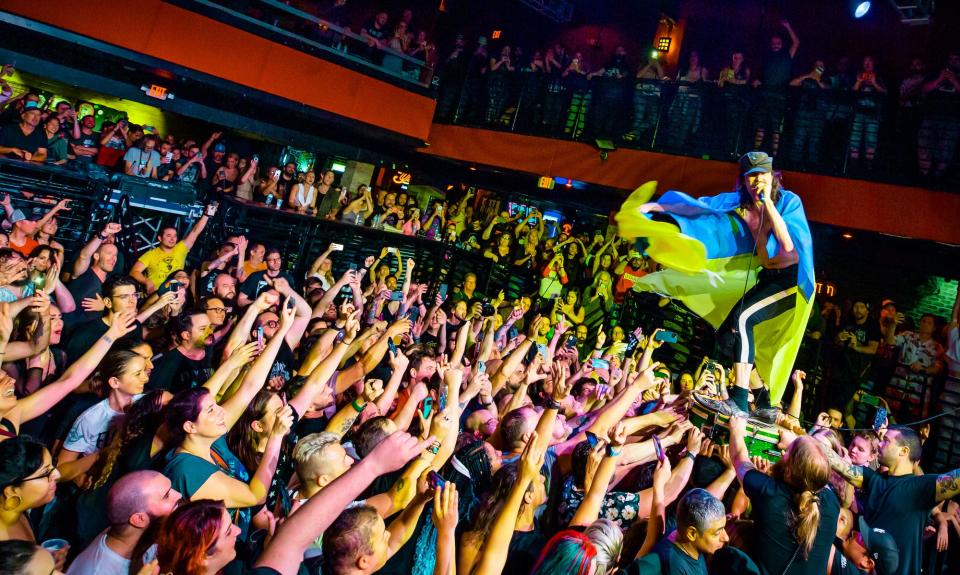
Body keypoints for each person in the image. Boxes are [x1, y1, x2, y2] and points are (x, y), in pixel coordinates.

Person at [821, 425, 960, 575]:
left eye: (886, 441)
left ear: (904, 451)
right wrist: (809, 439)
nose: (879, 443)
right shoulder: (873, 480)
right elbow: (839, 464)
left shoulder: (920, 487)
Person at [729, 416, 839, 574]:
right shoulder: (832, 503)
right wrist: (796, 446)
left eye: (786, 453)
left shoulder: (771, 494)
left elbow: (739, 458)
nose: (782, 454)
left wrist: (737, 430)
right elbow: (817, 471)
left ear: (788, 471)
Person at [66, 471, 182, 575]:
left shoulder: (137, 536)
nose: (179, 495)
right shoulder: (98, 571)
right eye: (166, 496)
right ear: (140, 519)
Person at [129, 204, 215, 294]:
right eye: (168, 235)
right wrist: (147, 282)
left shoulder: (181, 248)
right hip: (156, 294)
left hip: (176, 294)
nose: (172, 239)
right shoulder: (151, 254)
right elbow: (134, 271)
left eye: (174, 236)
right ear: (160, 238)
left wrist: (206, 215)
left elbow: (195, 231)